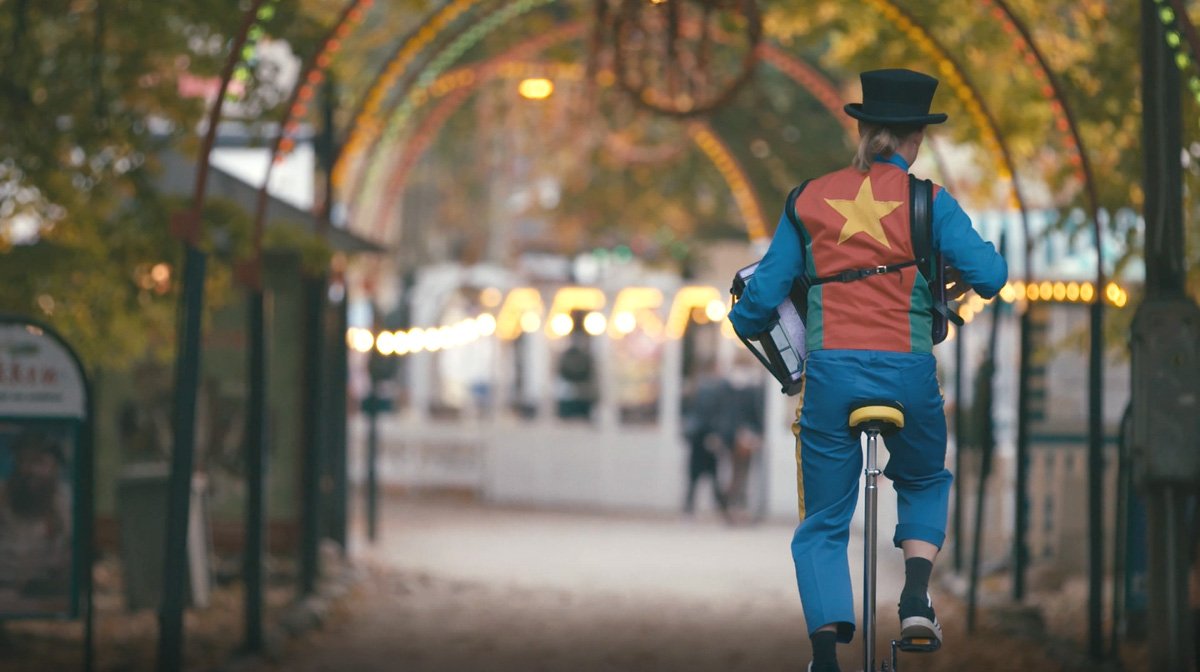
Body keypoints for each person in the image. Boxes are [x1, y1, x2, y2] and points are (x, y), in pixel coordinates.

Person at [728, 68, 1008, 672]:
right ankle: (913, 597)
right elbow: (992, 276)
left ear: (865, 130)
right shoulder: (930, 201)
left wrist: (754, 321)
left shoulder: (807, 198)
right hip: (908, 374)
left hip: (831, 378)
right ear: (915, 140)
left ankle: (826, 655)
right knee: (927, 478)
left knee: (825, 520)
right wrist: (943, 276)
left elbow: (761, 299)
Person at [0, 428, 73, 613]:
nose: (29, 469)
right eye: (23, 460)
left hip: (41, 596)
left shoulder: (63, 504)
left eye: (38, 462)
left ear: (55, 466)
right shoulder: (4, 495)